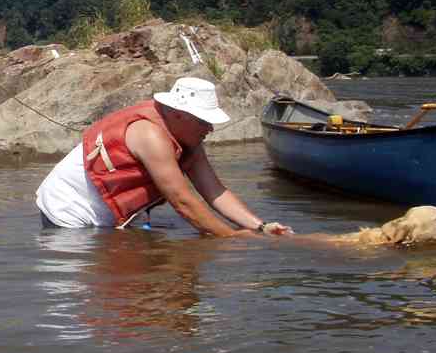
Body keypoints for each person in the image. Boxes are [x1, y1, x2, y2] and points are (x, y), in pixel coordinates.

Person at [36, 77, 294, 237]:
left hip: (105, 215)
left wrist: (261, 227)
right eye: (205, 121)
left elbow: (214, 190)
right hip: (67, 213)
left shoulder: (188, 136)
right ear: (179, 114)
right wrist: (229, 238)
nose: (211, 129)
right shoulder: (150, 135)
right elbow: (182, 201)